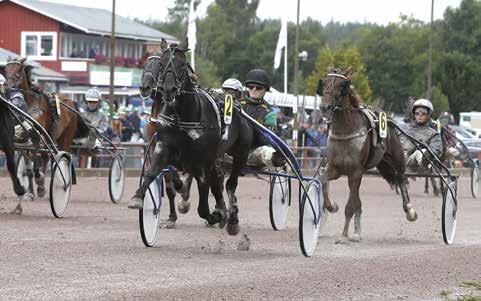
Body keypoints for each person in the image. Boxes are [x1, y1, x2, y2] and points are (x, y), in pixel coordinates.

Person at [239, 69, 283, 168]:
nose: (254, 89)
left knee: (266, 151)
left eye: (258, 87)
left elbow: (266, 139)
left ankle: (277, 161)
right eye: (251, 86)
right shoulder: (237, 105)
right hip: (234, 150)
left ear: (265, 90)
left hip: (255, 152)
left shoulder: (269, 112)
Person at [400, 98, 442, 171]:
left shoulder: (433, 134)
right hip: (397, 157)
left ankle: (425, 162)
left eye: (423, 113)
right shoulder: (402, 127)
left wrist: (424, 148)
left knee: (420, 153)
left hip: (413, 162)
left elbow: (436, 151)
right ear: (413, 114)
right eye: (417, 113)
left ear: (429, 115)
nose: (419, 115)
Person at [0, 74, 32, 141]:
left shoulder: (16, 95)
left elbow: (9, 109)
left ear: (5, 86)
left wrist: (2, 94)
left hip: (19, 126)